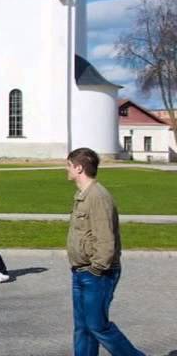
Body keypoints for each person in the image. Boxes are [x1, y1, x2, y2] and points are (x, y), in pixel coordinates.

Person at [66, 148, 145, 356]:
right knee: (83, 328)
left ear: (79, 168)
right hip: (80, 271)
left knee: (98, 326)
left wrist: (97, 268)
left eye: (69, 165)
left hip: (98, 274)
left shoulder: (98, 196)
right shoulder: (83, 194)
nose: (67, 170)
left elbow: (106, 239)